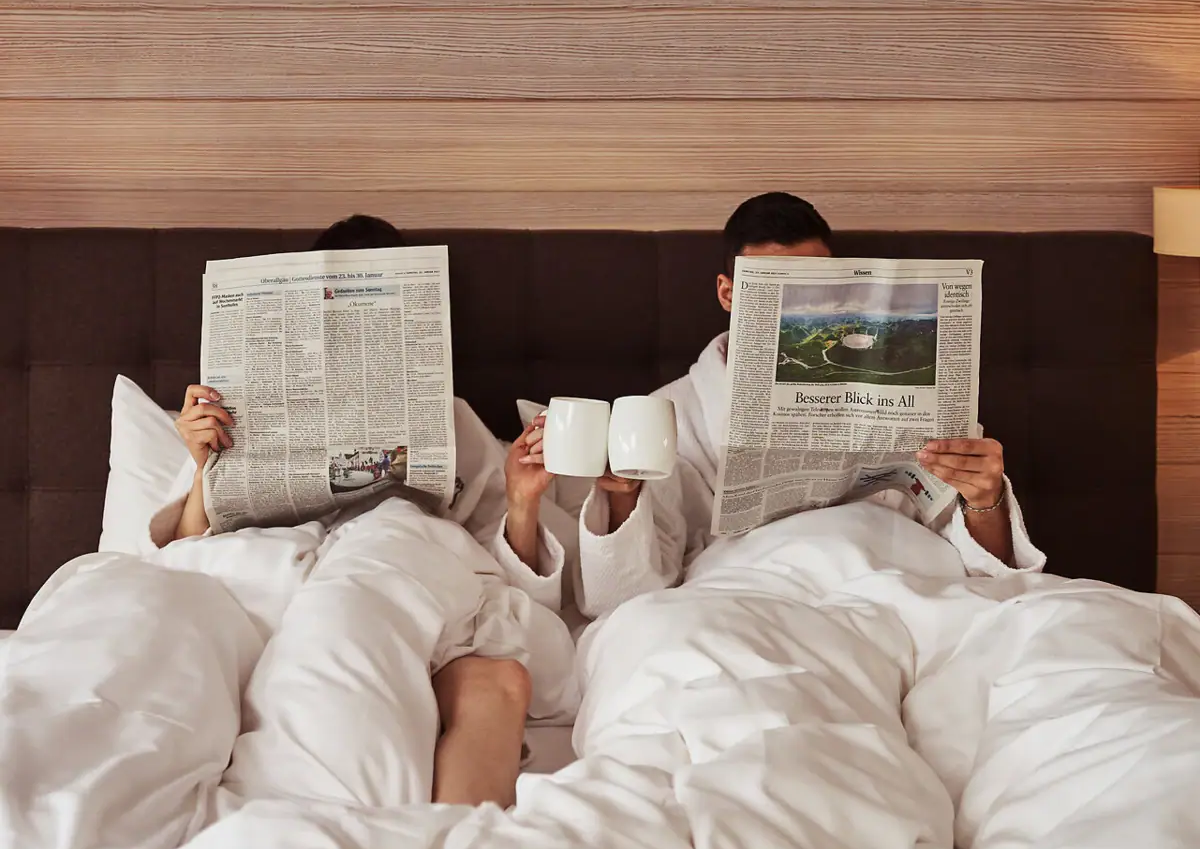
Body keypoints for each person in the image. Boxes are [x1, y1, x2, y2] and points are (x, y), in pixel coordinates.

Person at [160, 215, 571, 808]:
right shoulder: (233, 411)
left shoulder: (446, 416)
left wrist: (521, 501)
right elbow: (183, 554)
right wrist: (202, 466)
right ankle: (334, 824)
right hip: (274, 586)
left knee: (501, 682)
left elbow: (512, 578)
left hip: (413, 577)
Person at [519, 191, 1045, 620]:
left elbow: (993, 570)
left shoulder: (911, 396)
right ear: (728, 293)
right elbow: (622, 601)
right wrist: (622, 498)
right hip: (752, 597)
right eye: (773, 288)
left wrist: (986, 497)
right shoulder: (667, 414)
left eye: (813, 285)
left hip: (903, 588)